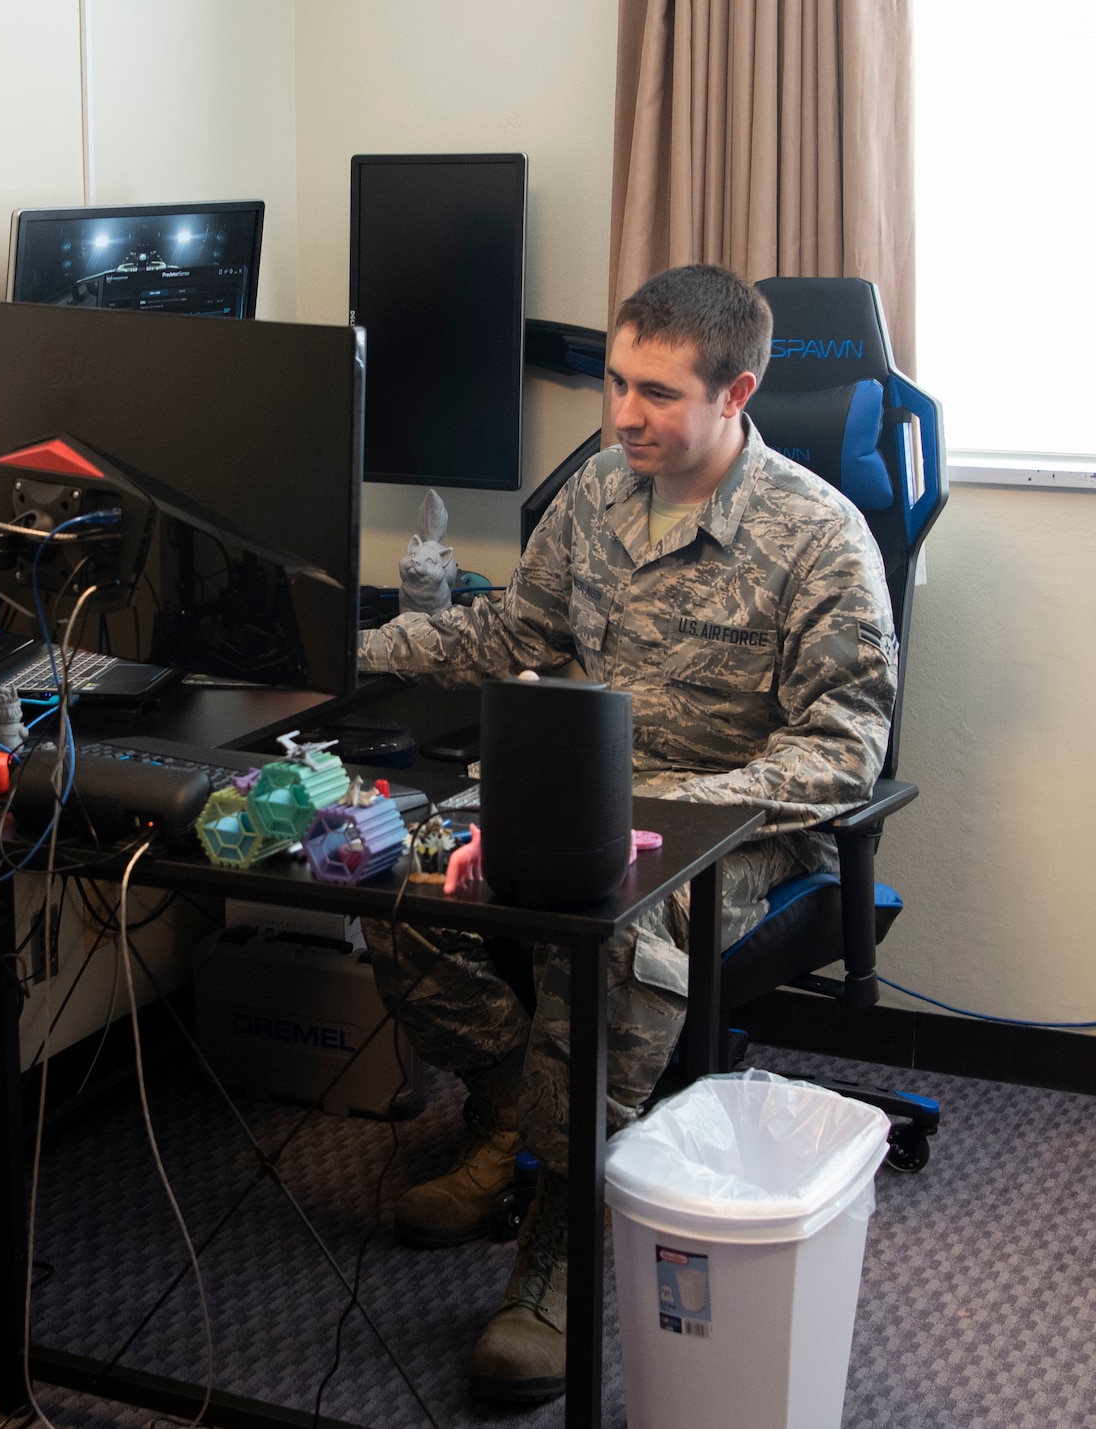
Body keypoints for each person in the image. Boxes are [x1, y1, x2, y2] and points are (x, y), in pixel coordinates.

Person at [357, 263, 898, 1404]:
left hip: (739, 820)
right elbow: (512, 630)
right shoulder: (597, 495)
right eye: (613, 382)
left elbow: (842, 749)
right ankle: (510, 1108)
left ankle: (555, 1240)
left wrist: (662, 819)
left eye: (654, 392)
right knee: (377, 869)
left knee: (616, 940)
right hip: (580, 791)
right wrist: (336, 645)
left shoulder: (818, 536)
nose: (621, 415)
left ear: (735, 392)